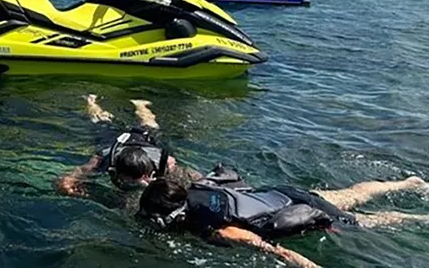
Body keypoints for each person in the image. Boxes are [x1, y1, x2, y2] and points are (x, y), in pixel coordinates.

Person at [137, 164, 429, 268]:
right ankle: (408, 183)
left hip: (291, 209)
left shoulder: (220, 230)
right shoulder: (196, 189)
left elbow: (277, 251)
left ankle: (418, 219)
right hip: (283, 193)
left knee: (363, 222)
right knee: (350, 194)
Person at [56, 95, 199, 198]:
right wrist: (67, 184)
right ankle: (91, 101)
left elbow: (178, 166)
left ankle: (140, 104)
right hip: (115, 142)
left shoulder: (160, 161)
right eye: (132, 179)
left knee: (150, 126)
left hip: (143, 141)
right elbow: (80, 171)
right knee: (100, 122)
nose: (141, 181)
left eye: (143, 176)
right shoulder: (105, 160)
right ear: (119, 173)